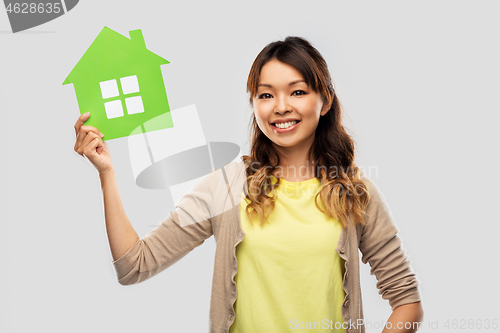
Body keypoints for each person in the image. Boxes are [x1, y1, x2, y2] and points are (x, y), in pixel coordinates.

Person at [73, 36, 423, 333]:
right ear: (254, 104)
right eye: (266, 95)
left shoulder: (355, 194)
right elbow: (134, 265)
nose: (281, 107)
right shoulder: (227, 186)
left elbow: (406, 302)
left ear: (325, 101)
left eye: (297, 91)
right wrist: (107, 173)